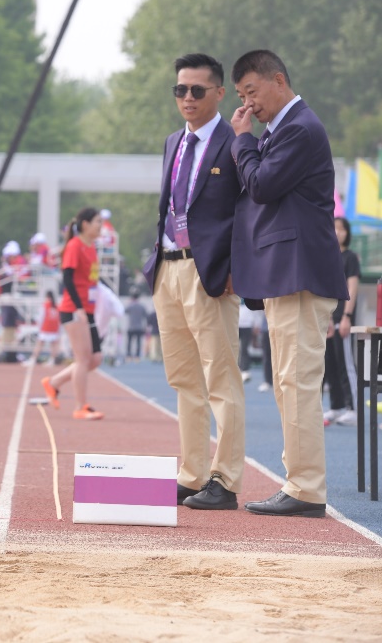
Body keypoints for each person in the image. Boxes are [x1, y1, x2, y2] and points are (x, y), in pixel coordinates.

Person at [229, 49, 347, 518]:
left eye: (251, 92)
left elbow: (260, 185)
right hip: (285, 272)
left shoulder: (298, 128)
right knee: (286, 382)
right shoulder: (281, 130)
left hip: (300, 272)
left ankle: (306, 488)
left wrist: (242, 141)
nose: (248, 104)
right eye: (241, 96)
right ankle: (299, 482)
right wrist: (251, 141)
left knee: (296, 382)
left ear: (278, 80)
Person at [142, 53, 243, 509]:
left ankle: (226, 479)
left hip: (210, 274)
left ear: (218, 93)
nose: (187, 97)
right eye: (180, 89)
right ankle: (193, 473)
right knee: (184, 379)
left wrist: (234, 269)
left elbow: (247, 212)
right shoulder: (173, 142)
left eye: (197, 90)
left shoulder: (235, 142)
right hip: (167, 269)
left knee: (221, 378)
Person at [41, 208, 103, 420]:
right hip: (74, 309)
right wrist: (78, 307)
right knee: (83, 359)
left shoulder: (91, 246)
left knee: (95, 358)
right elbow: (67, 278)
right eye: (97, 222)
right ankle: (80, 407)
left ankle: (54, 383)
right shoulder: (75, 246)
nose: (101, 226)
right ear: (85, 224)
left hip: (88, 308)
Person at [323, 216, 359, 426]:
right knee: (330, 364)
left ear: (347, 233)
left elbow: (352, 288)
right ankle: (336, 407)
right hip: (329, 319)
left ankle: (353, 408)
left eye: (341, 229)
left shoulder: (350, 258)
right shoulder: (328, 256)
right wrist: (327, 317)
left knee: (346, 364)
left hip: (342, 318)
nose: (337, 232)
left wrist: (346, 317)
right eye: (334, 228)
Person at [25, 292, 60, 367]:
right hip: (54, 328)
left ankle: (33, 359)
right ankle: (52, 360)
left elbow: (41, 317)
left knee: (39, 344)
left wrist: (39, 327)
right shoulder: (56, 306)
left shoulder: (45, 305)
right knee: (53, 345)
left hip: (46, 328)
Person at [124, 291, 147, 362]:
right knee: (138, 342)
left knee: (129, 342)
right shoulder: (141, 306)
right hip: (139, 327)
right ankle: (137, 356)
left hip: (131, 327)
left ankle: (128, 356)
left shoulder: (130, 306)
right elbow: (145, 316)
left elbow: (124, 311)